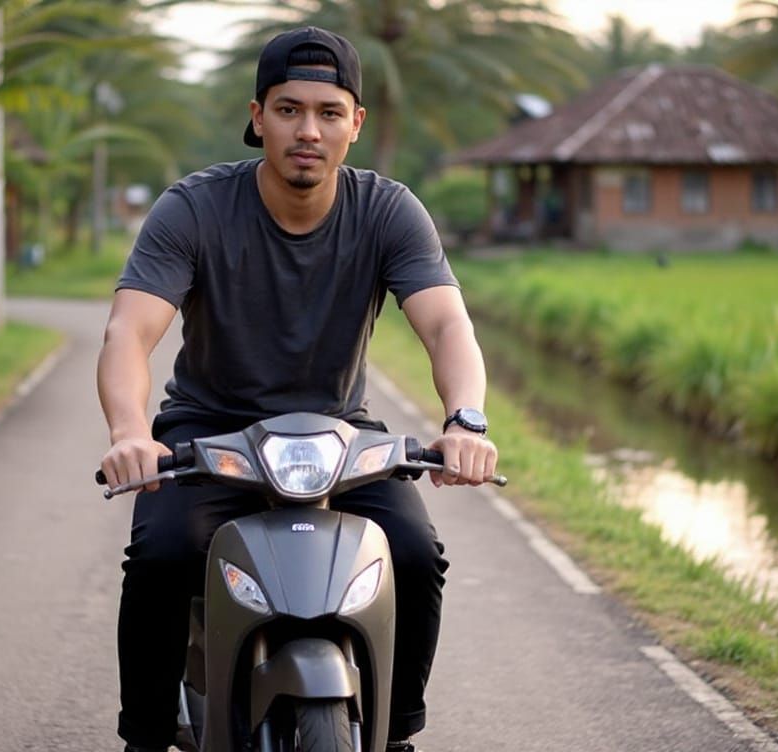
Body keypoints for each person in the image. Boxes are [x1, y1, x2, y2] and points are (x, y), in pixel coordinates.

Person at [97, 26, 498, 752]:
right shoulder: (194, 208)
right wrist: (130, 432)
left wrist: (465, 421)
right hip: (208, 435)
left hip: (340, 438)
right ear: (258, 117)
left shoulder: (389, 210)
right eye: (288, 110)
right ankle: (145, 737)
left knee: (415, 553)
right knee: (161, 554)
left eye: (328, 112)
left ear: (355, 123)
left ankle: (394, 732)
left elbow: (446, 325)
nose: (308, 130)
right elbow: (129, 332)